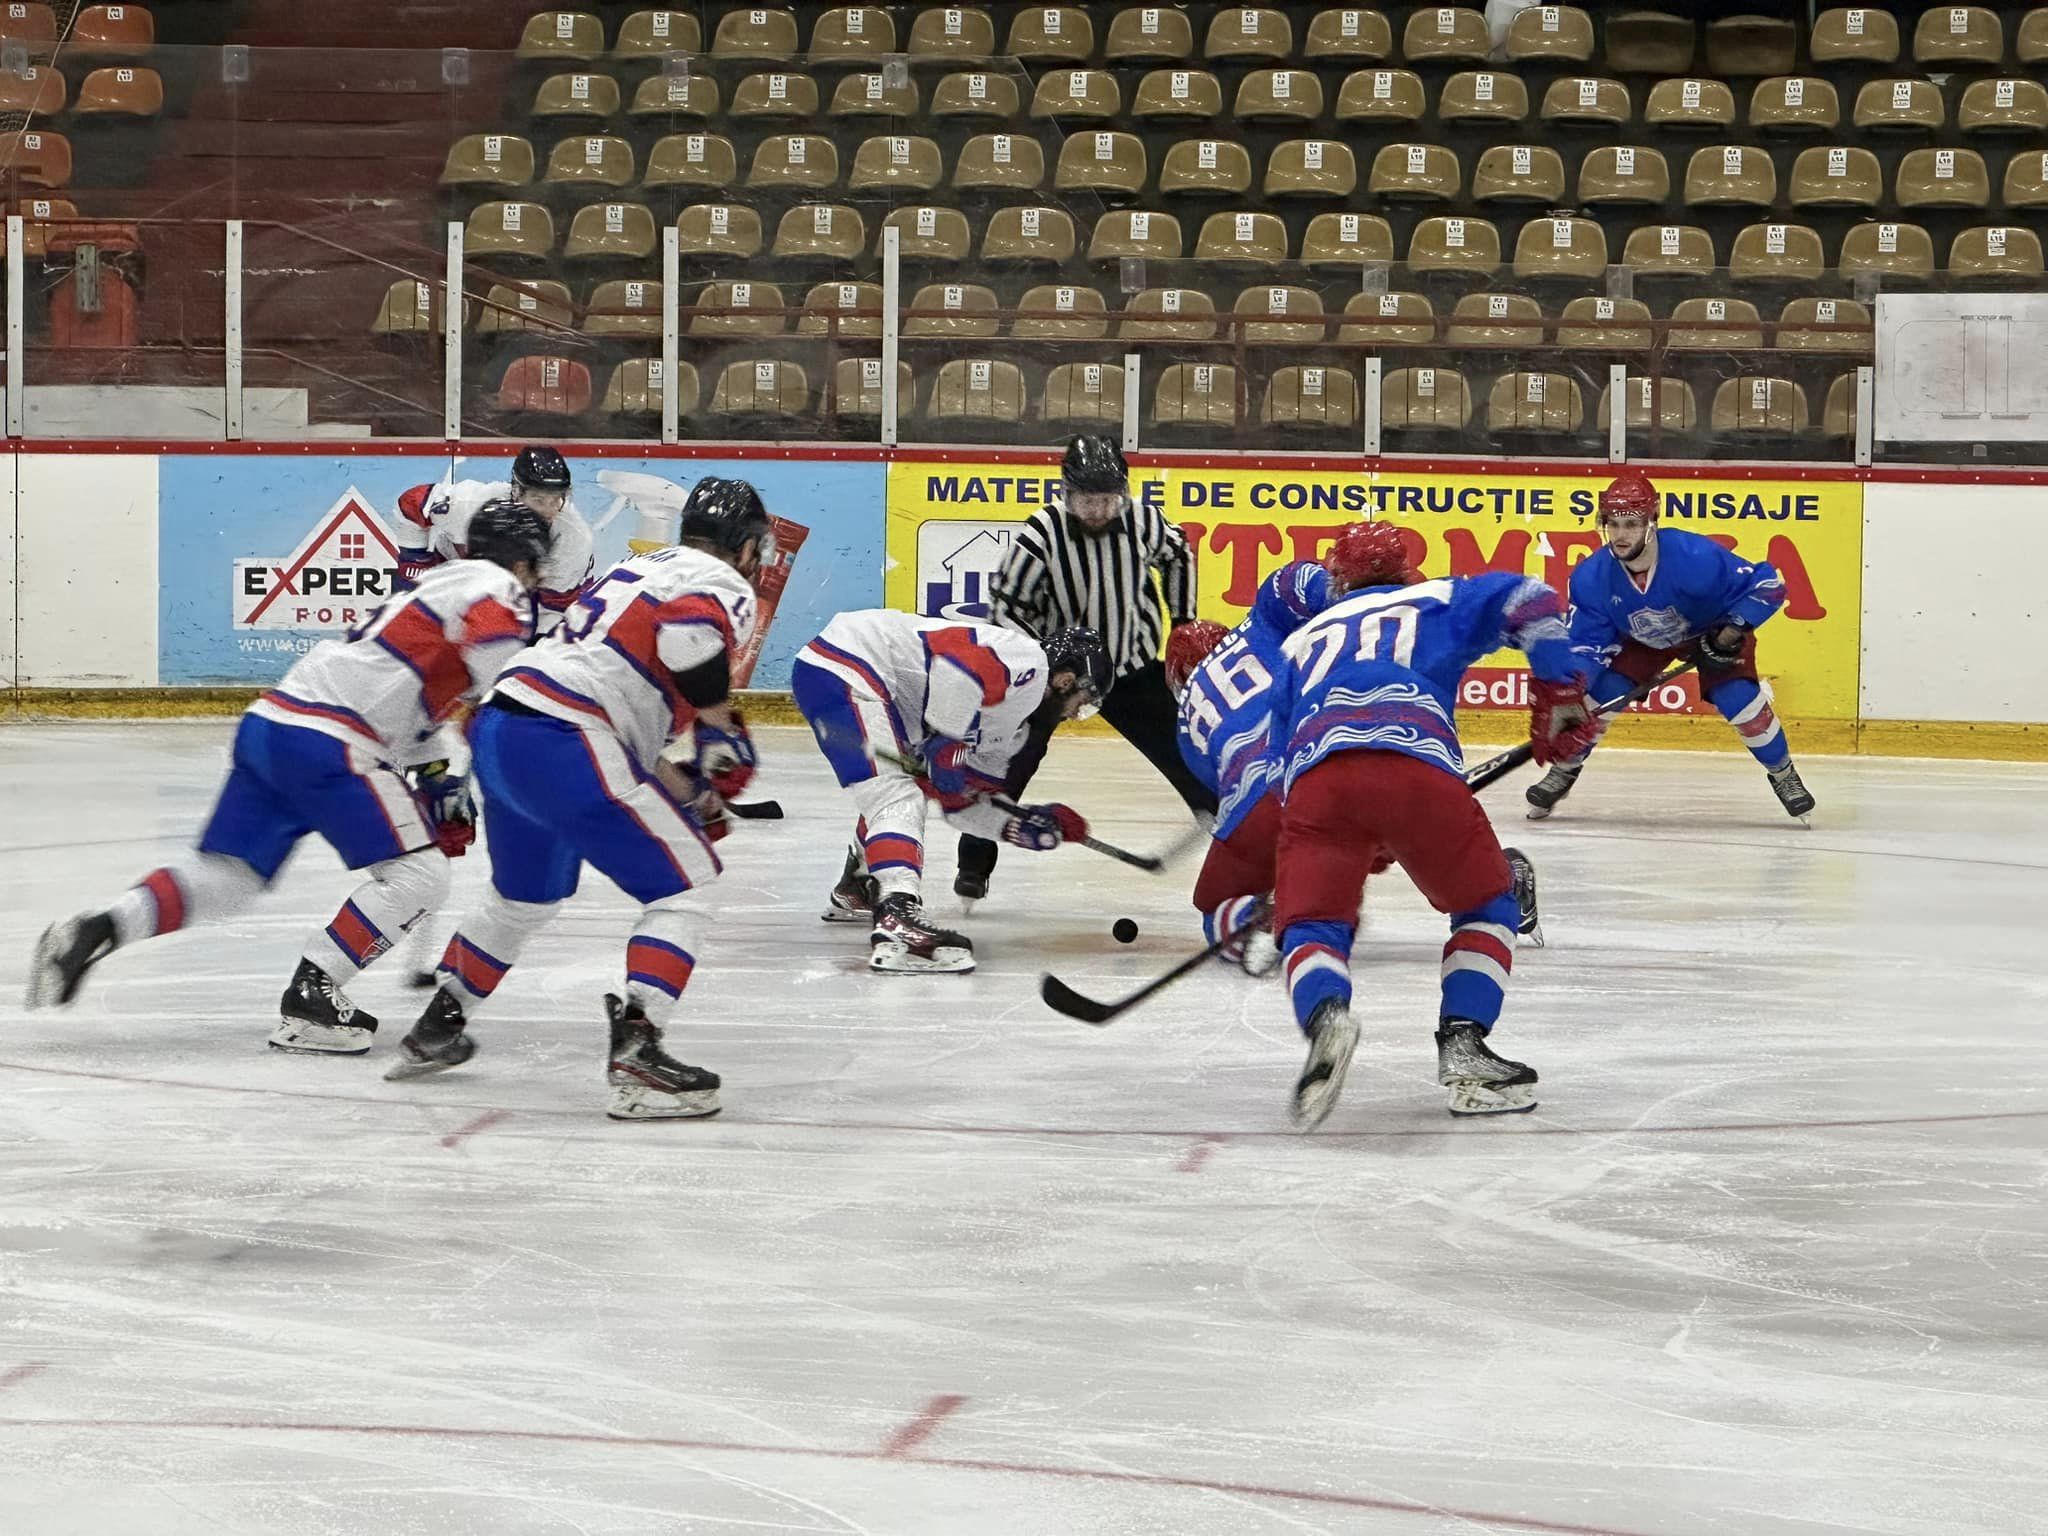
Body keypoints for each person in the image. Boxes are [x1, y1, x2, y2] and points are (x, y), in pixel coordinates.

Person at [26, 502, 549, 1048]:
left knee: (229, 879)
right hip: (333, 741)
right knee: (422, 878)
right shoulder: (496, 583)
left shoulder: (435, 586)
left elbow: (416, 714)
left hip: (273, 725)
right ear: (526, 564)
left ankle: (97, 927)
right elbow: (500, 671)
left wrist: (441, 776)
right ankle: (313, 998)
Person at [385, 478, 769, 1121]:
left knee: (523, 899)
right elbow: (687, 644)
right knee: (686, 887)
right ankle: (639, 1056)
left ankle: (438, 1026)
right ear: (748, 548)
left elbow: (627, 711)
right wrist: (721, 725)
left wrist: (692, 788)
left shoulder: (640, 566)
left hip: (506, 727)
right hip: (569, 733)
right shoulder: (719, 580)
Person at [1269, 570, 1600, 1130]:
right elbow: (1532, 602)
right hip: (1414, 762)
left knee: (1312, 923)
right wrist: (1558, 688)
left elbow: (1281, 762)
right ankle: (1465, 1045)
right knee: (1490, 903)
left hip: (1316, 783)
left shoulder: (1301, 640)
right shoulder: (1434, 597)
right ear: (1404, 575)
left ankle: (1326, 1016)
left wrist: (1359, 838)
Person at [957, 434, 1216, 906]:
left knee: (1188, 755)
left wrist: (1182, 623)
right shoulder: (1042, 533)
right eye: (1085, 500)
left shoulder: (1142, 522)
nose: (1097, 510)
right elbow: (1006, 606)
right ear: (1065, 492)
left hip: (1131, 670)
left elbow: (1179, 555)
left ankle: (1227, 830)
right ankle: (974, 864)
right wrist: (1039, 663)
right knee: (1009, 765)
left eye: (1107, 499)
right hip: (1058, 681)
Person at [793, 611, 1109, 973]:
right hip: (850, 662)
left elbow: (964, 808)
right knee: (897, 795)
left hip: (870, 684)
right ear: (1067, 680)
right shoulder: (1030, 664)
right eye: (1084, 702)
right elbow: (957, 665)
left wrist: (1020, 826)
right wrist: (949, 744)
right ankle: (897, 920)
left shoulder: (1013, 730)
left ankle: (860, 886)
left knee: (898, 791)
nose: (1075, 714)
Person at [1169, 523, 1420, 977]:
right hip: (1336, 760)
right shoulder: (1263, 618)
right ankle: (1496, 879)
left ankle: (1255, 925)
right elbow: (1310, 586)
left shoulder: (1186, 726)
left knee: (1212, 904)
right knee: (1405, 828)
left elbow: (1229, 799)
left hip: (1262, 800)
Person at [1527, 469, 1816, 823]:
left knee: (1740, 702)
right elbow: (1589, 644)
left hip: (1712, 630)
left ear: (1652, 522)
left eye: (1631, 524)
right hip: (1643, 641)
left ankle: (1783, 773)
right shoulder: (1591, 578)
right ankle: (1565, 771)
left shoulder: (1695, 557)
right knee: (1595, 702)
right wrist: (1571, 691)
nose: (1620, 535)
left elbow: (1768, 586)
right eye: (1613, 524)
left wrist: (1731, 631)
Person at [396, 445, 594, 628]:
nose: (549, 511)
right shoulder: (469, 502)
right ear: (516, 491)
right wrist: (414, 563)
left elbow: (551, 610)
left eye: (556, 499)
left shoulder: (573, 538)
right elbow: (411, 503)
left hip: (526, 597)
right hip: (453, 574)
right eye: (538, 499)